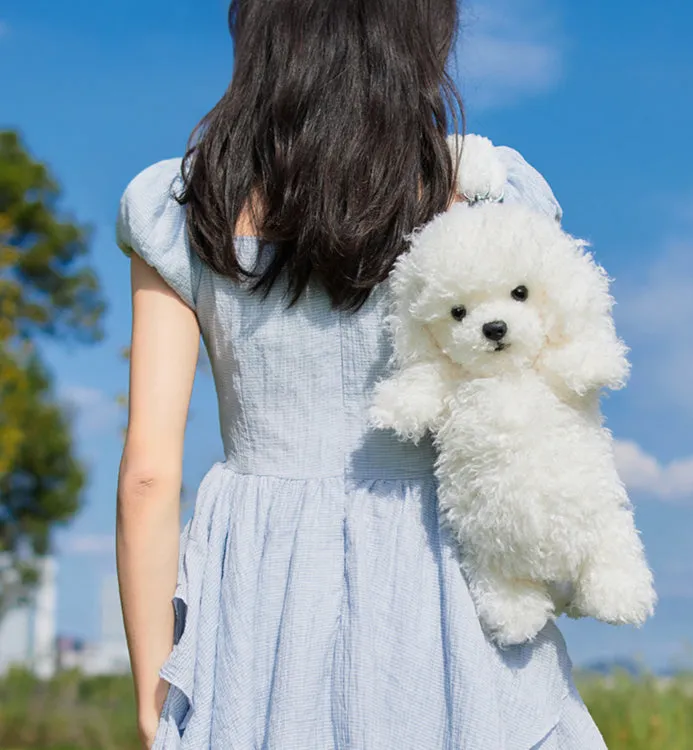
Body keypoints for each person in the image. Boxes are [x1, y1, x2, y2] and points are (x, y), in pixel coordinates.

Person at [115, 1, 607, 748]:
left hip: (262, 596)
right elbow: (543, 411)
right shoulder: (481, 191)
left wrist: (154, 691)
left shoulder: (187, 207)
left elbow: (148, 476)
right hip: (444, 584)